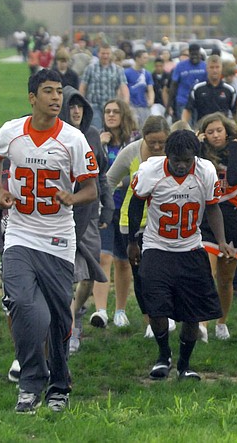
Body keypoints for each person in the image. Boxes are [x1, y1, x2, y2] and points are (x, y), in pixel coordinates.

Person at [0, 69, 99, 413]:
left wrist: (72, 197)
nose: (56, 98)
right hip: (20, 233)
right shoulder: (11, 131)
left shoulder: (73, 139)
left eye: (59, 93)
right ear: (32, 98)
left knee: (58, 319)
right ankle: (30, 384)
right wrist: (0, 190)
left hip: (57, 239)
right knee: (23, 306)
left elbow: (92, 189)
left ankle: (60, 386)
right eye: (48, 92)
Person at [126, 130, 235, 381]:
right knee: (156, 307)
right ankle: (163, 356)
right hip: (156, 246)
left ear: (194, 157)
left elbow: (212, 207)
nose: (182, 165)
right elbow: (136, 203)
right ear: (167, 154)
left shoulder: (205, 171)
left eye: (187, 160)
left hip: (190, 246)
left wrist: (220, 241)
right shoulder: (150, 170)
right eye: (177, 159)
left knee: (192, 313)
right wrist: (132, 241)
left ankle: (185, 365)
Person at [106, 116, 172, 338]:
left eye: (161, 143)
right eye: (151, 141)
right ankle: (150, 322)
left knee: (164, 271)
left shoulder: (175, 152)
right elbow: (108, 181)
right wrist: (104, 209)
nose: (156, 147)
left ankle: (166, 313)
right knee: (141, 274)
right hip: (132, 222)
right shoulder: (131, 152)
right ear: (143, 137)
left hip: (165, 221)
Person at [60, 86, 114, 355]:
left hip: (89, 214)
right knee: (63, 274)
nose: (77, 110)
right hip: (59, 215)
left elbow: (101, 175)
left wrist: (108, 208)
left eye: (80, 106)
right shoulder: (54, 137)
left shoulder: (92, 135)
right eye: (71, 106)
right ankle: (66, 326)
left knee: (91, 274)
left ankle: (74, 317)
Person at [197, 113, 237, 340]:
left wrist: (236, 149)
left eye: (219, 130)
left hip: (233, 222)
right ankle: (202, 325)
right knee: (206, 273)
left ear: (227, 131)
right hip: (207, 220)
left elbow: (236, 178)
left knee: (226, 279)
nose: (215, 135)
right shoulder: (201, 155)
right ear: (204, 135)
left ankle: (221, 322)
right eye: (210, 132)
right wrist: (198, 146)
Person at [90, 99, 138, 329]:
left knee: (123, 261)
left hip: (128, 208)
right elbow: (90, 170)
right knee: (103, 257)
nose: (110, 115)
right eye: (107, 111)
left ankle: (120, 310)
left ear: (124, 114)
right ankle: (100, 310)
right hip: (104, 208)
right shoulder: (99, 139)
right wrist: (99, 146)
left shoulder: (135, 141)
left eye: (115, 112)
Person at [79, 44, 129, 130]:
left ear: (111, 54)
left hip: (111, 107)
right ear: (98, 54)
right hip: (94, 106)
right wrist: (81, 104)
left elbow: (124, 87)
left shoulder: (118, 70)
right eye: (103, 53)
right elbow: (83, 87)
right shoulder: (90, 68)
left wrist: (125, 103)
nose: (105, 56)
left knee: (111, 130)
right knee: (96, 129)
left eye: (107, 53)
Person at [182, 55, 237, 125]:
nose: (215, 70)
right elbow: (188, 109)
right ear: (207, 68)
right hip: (202, 129)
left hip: (223, 130)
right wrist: (184, 126)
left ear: (221, 68)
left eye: (217, 67)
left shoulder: (230, 90)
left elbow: (235, 112)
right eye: (212, 67)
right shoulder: (197, 89)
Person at [168, 43, 207, 121]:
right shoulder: (180, 66)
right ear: (189, 54)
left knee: (198, 128)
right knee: (186, 128)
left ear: (200, 54)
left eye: (196, 54)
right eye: (192, 54)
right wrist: (169, 104)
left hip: (199, 103)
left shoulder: (205, 66)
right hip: (183, 101)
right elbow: (173, 85)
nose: (195, 57)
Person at [123, 50, 155, 130]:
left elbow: (150, 89)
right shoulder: (127, 73)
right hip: (132, 105)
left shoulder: (147, 74)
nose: (146, 60)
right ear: (137, 58)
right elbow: (123, 88)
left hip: (144, 105)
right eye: (144, 58)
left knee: (145, 128)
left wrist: (151, 100)